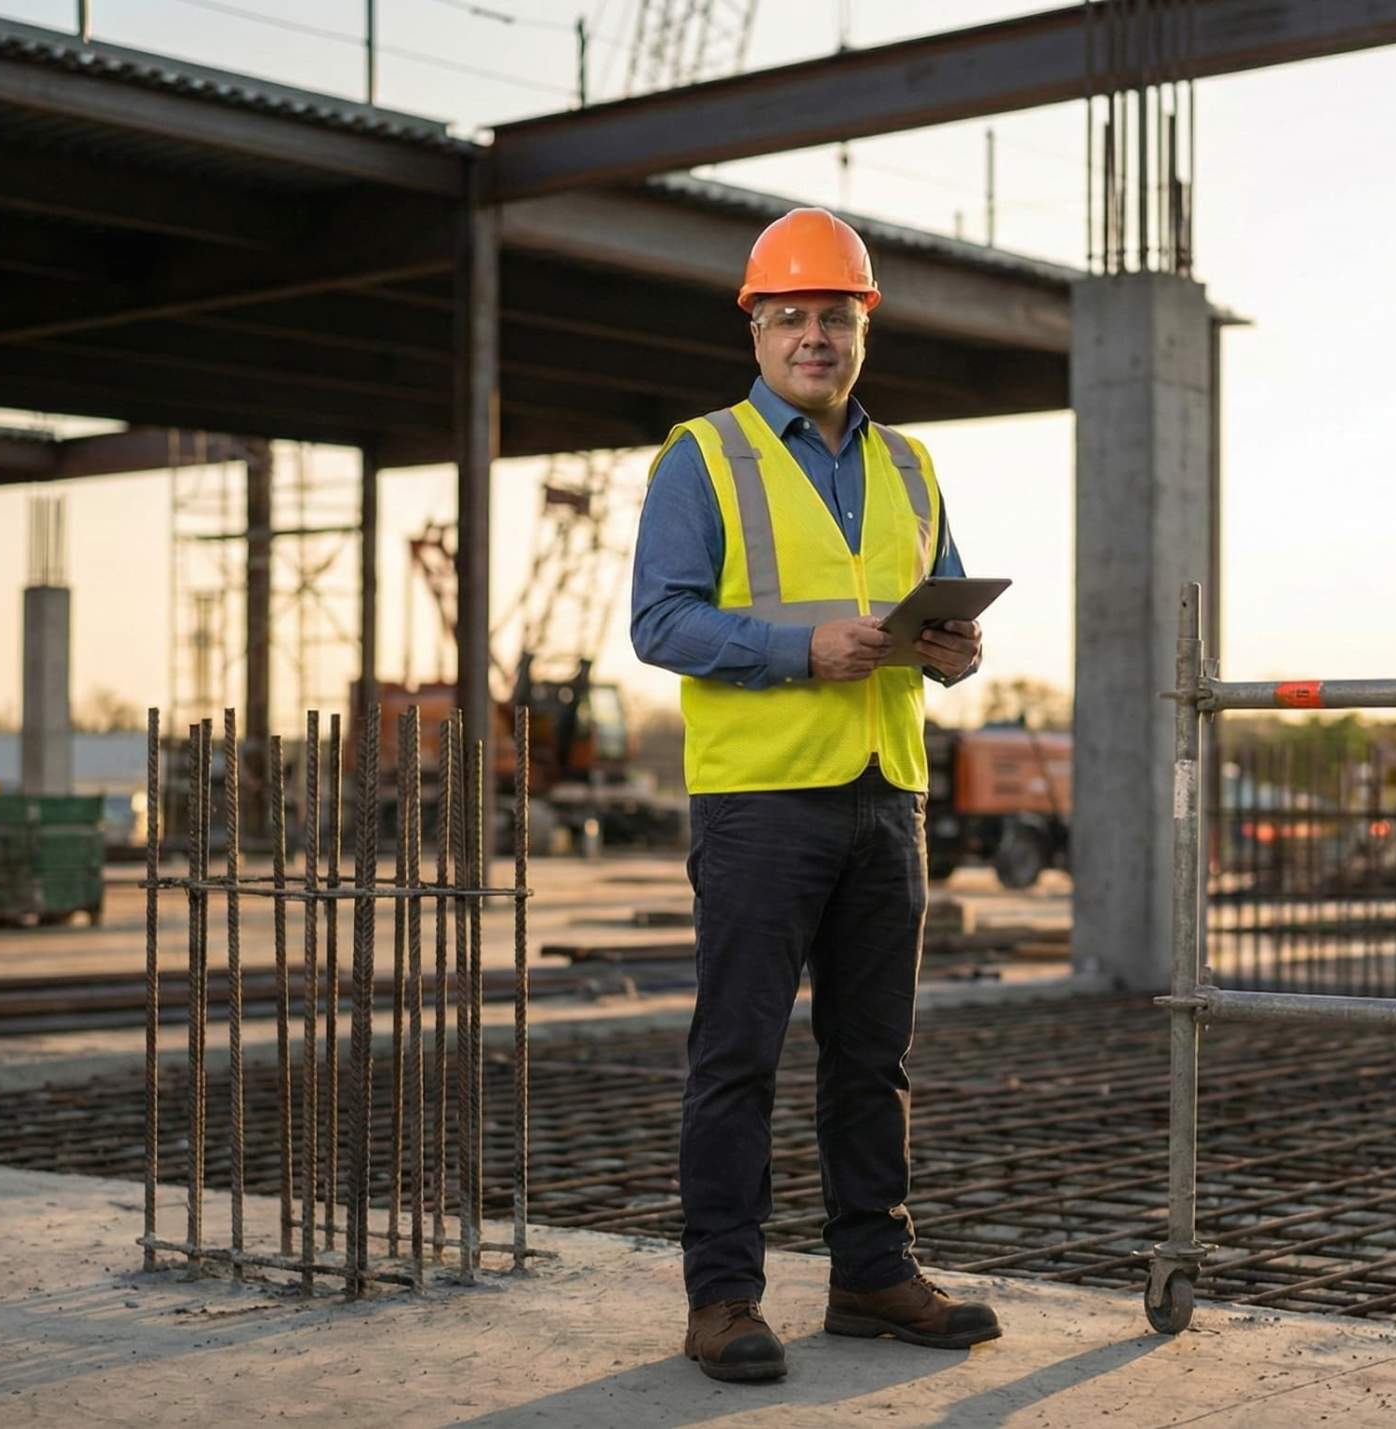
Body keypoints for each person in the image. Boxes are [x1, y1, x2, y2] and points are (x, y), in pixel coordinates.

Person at [630, 207, 1000, 1384]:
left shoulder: (909, 464)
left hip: (887, 792)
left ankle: (871, 1274)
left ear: (861, 327)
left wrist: (953, 653)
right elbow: (659, 620)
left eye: (834, 316)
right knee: (736, 1053)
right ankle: (723, 1298)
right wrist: (798, 654)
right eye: (790, 316)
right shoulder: (701, 456)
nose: (814, 337)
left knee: (872, 1055)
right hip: (760, 799)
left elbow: (937, 611)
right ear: (757, 327)